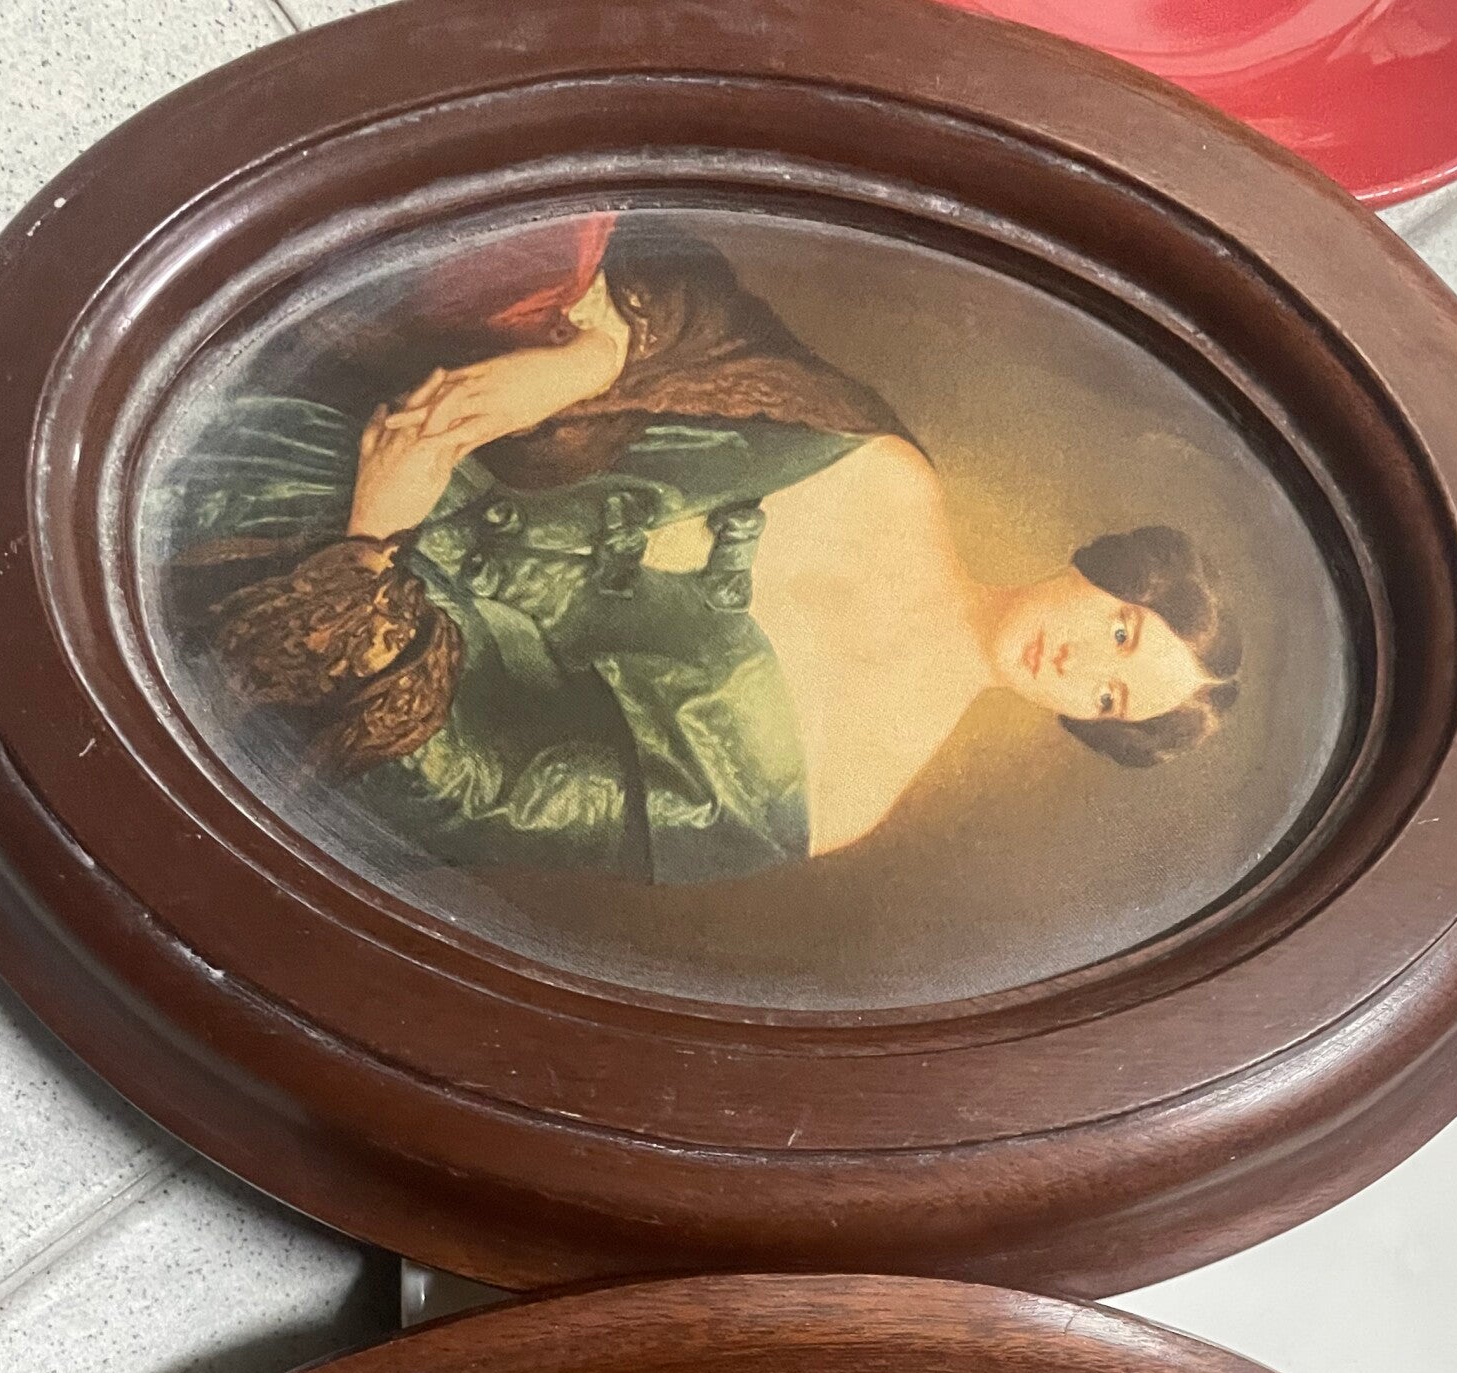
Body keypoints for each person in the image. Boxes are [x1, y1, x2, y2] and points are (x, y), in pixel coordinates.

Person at [162, 219, 1242, 885]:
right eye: (1122, 631)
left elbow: (484, 797)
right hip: (347, 404)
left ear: (1085, 723)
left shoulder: (843, 795)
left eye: (1110, 697)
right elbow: (710, 326)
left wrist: (370, 548)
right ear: (1099, 572)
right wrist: (597, 359)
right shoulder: (884, 466)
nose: (1082, 665)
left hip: (275, 637)